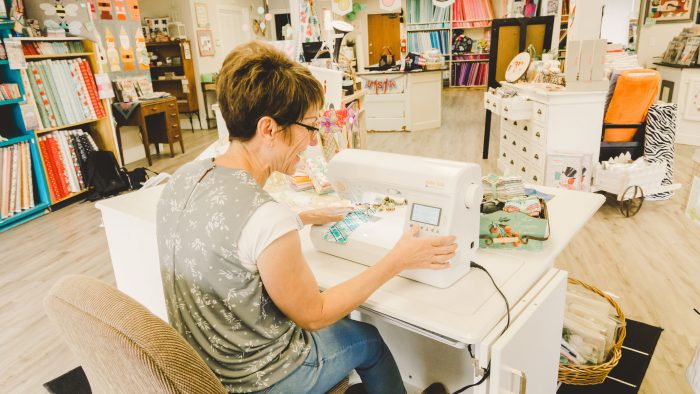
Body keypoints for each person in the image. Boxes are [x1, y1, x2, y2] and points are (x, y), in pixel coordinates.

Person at [157, 41, 457, 394]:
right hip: (262, 380)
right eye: (310, 127)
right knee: (369, 340)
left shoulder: (184, 177)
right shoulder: (266, 217)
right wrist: (398, 259)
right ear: (269, 129)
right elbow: (314, 314)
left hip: (204, 369)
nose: (313, 143)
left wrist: (301, 216)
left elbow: (227, 235)